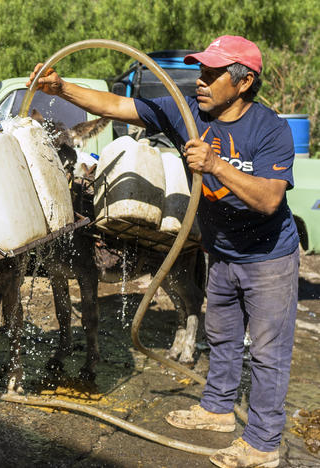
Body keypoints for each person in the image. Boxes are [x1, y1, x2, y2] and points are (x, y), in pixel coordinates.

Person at [27, 35, 299, 468]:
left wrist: (214, 165)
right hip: (222, 251)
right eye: (200, 71)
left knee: (267, 352)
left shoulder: (269, 128)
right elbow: (115, 106)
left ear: (244, 81)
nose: (200, 81)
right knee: (223, 339)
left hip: (268, 257)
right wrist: (60, 89)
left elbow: (268, 199)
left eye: (211, 74)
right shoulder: (187, 111)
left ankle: (263, 445)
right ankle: (216, 411)